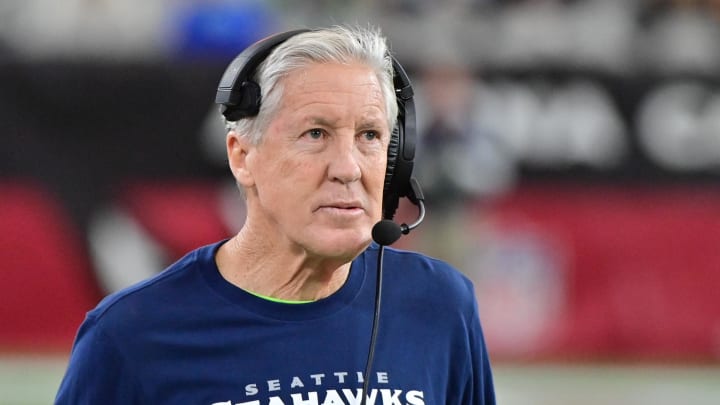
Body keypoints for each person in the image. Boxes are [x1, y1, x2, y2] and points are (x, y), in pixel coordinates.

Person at [55, 25, 496, 404]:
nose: (348, 167)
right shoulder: (131, 334)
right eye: (315, 133)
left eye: (369, 135)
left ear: (395, 158)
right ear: (243, 156)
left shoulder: (441, 303)